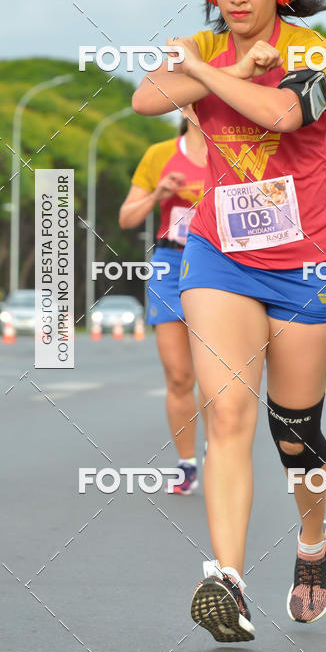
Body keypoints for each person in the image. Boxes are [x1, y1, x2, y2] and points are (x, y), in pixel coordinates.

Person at [131, 0, 326, 641]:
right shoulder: (206, 48)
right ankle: (226, 581)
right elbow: (146, 100)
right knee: (226, 412)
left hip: (309, 265)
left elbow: (282, 113)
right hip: (219, 256)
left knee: (295, 432)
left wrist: (208, 74)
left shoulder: (313, 51)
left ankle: (314, 541)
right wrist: (213, 65)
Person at [119, 105, 207, 493]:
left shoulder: (238, 151)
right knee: (179, 375)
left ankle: (221, 451)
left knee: (219, 376)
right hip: (172, 263)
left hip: (222, 264)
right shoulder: (160, 154)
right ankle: (187, 463)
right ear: (186, 107)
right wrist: (159, 194)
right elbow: (127, 218)